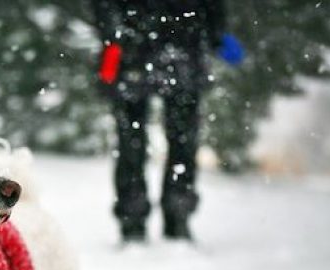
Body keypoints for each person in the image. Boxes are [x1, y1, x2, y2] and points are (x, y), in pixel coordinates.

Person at [91, 0, 244, 241]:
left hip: (162, 46)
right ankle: (148, 217)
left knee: (144, 140)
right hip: (156, 46)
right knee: (161, 141)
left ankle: (163, 215)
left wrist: (216, 33)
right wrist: (114, 33)